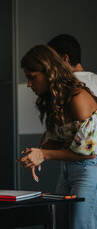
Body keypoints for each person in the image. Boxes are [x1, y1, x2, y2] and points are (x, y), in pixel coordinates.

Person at [18, 45, 97, 229]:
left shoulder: (78, 97)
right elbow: (56, 140)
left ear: (49, 71)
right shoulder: (56, 99)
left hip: (89, 170)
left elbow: (89, 152)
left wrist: (44, 155)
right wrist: (35, 154)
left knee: (80, 225)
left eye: (32, 77)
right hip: (68, 171)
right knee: (57, 222)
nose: (29, 84)